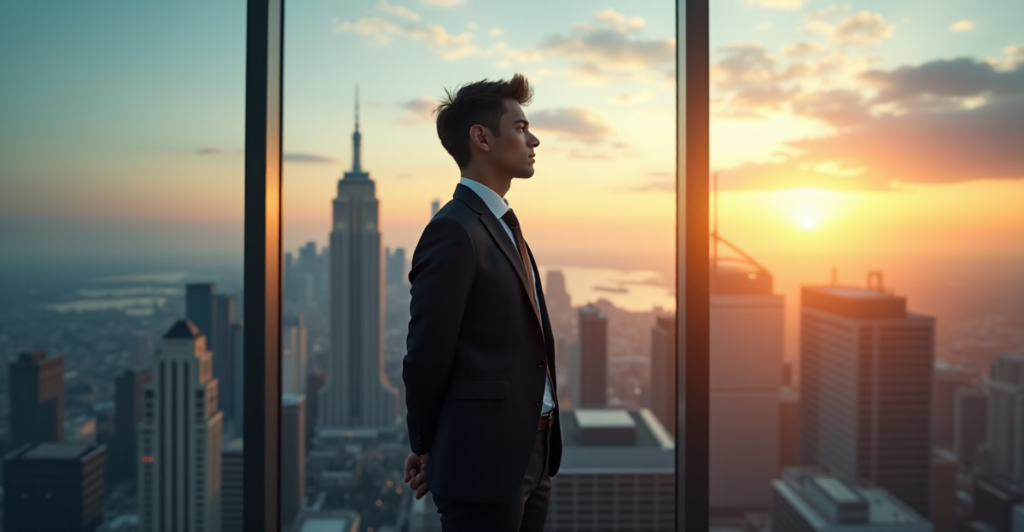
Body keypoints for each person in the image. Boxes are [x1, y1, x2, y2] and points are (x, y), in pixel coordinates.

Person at [402, 73, 561, 531]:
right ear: (482, 138)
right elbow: (427, 351)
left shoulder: (503, 225)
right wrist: (428, 443)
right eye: (520, 127)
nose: (534, 139)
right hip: (483, 461)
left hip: (533, 451)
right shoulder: (454, 230)